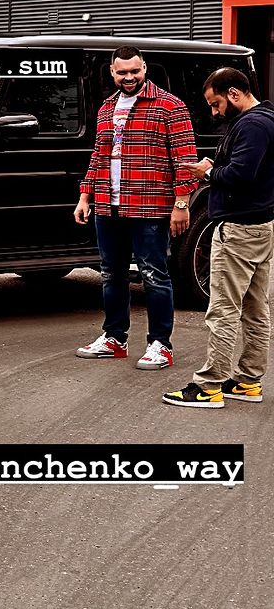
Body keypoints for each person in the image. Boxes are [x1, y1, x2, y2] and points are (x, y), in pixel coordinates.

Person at [73, 46, 197, 369]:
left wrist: (181, 203)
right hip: (107, 206)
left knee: (154, 274)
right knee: (111, 273)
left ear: (145, 68)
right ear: (112, 73)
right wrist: (85, 196)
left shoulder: (170, 106)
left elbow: (185, 161)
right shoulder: (105, 109)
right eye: (121, 72)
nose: (129, 78)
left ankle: (161, 344)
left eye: (134, 71)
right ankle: (115, 338)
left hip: (150, 207)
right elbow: (98, 157)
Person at [162, 67, 274, 408]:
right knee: (255, 307)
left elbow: (240, 175)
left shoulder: (252, 125)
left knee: (223, 309)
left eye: (216, 103)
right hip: (260, 226)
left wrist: (207, 171)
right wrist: (217, 164)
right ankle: (247, 382)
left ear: (235, 94)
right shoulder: (267, 118)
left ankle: (209, 386)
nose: (214, 111)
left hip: (239, 230)